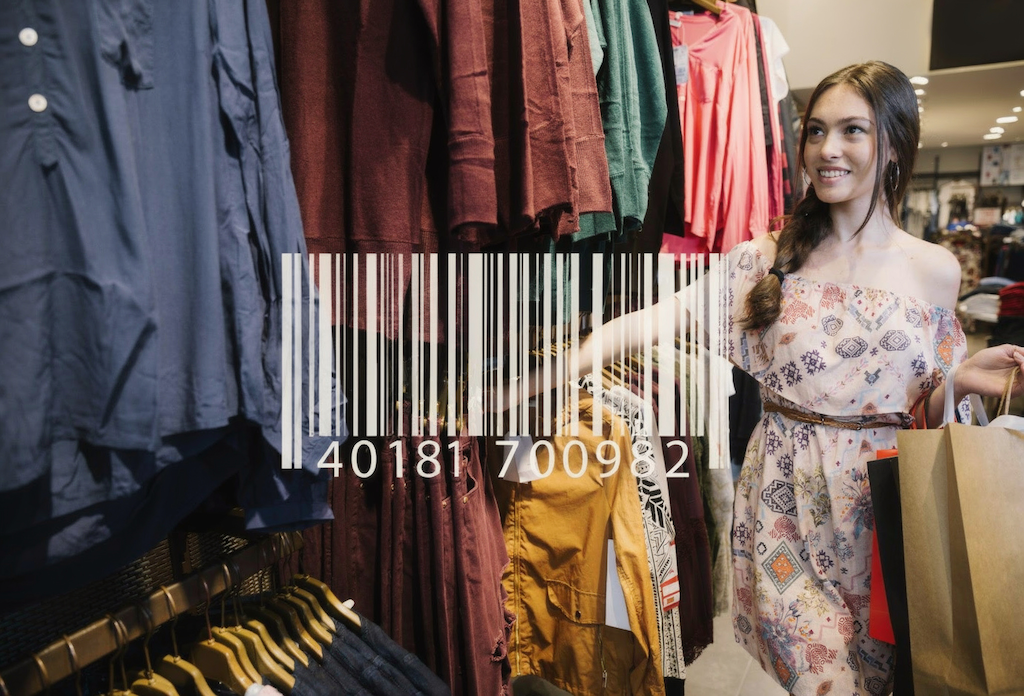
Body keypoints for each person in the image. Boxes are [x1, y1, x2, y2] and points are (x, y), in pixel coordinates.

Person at [505, 61, 1024, 695]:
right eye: (816, 131)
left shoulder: (935, 270)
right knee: (823, 680)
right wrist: (541, 378)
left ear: (893, 145)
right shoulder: (767, 257)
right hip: (786, 498)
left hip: (886, 506)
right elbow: (659, 319)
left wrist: (964, 380)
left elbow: (921, 407)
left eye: (853, 131)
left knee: (884, 678)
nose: (827, 150)